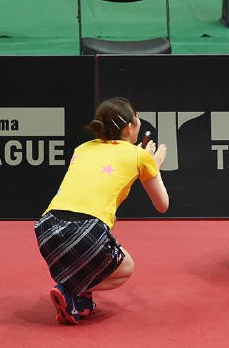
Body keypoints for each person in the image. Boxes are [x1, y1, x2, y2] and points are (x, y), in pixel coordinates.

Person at [34, 97, 170, 324]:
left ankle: (79, 299)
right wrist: (154, 167)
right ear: (129, 128)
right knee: (126, 267)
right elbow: (162, 205)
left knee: (100, 238)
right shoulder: (140, 156)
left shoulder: (82, 148)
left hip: (47, 231)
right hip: (86, 233)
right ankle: (70, 290)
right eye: (137, 121)